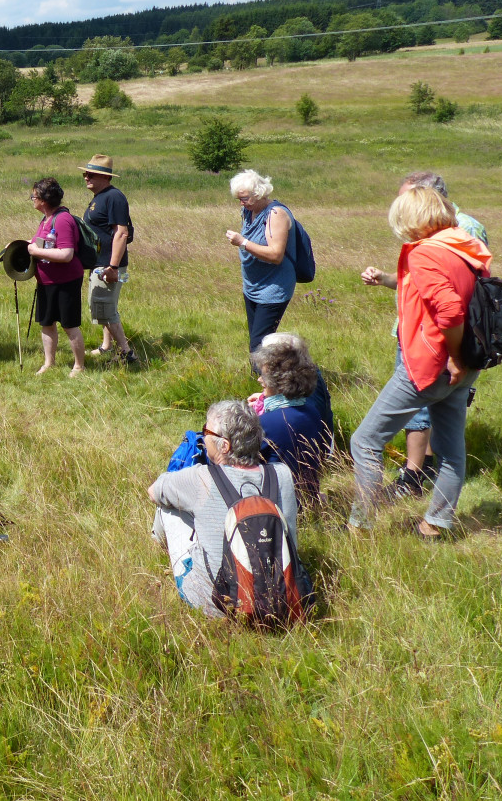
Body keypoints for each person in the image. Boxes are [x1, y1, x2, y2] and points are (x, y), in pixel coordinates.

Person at [349, 186, 491, 539]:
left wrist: (454, 358)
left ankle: (360, 525)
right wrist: (462, 361)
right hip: (466, 362)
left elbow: (450, 310)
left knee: (365, 441)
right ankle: (435, 525)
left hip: (431, 365)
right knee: (450, 450)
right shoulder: (461, 244)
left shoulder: (426, 253)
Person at [149, 400, 299, 617]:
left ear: (224, 446)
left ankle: (158, 551)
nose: (203, 436)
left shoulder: (201, 478)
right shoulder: (282, 474)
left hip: (215, 604)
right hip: (281, 598)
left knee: (167, 508)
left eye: (206, 431)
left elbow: (154, 491)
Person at [250, 338, 332, 505]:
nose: (260, 380)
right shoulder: (311, 412)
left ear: (280, 382)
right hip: (306, 498)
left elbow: (241, 462)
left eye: (264, 375)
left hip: (276, 505)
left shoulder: (267, 422)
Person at [224, 169, 296, 355]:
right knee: (259, 342)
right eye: (238, 199)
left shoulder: (275, 214)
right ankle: (269, 378)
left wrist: (243, 243)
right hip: (252, 288)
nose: (241, 203)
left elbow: (275, 255)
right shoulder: (249, 212)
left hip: (273, 290)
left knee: (259, 345)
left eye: (245, 198)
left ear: (259, 194)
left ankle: (272, 380)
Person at [79, 154, 137, 363]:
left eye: (91, 174)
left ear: (105, 177)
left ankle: (126, 353)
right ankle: (107, 346)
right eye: (85, 173)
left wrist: (112, 267)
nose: (86, 177)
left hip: (108, 266)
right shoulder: (100, 197)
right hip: (99, 264)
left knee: (105, 309)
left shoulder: (114, 197)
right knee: (102, 307)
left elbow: (121, 233)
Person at [25, 177, 85, 377]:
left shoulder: (63, 220)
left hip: (66, 282)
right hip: (46, 281)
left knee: (69, 325)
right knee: (47, 322)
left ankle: (79, 366)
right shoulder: (46, 219)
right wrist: (19, 245)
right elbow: (38, 244)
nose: (32, 198)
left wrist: (34, 252)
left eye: (33, 195)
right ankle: (49, 363)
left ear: (43, 199)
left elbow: (66, 254)